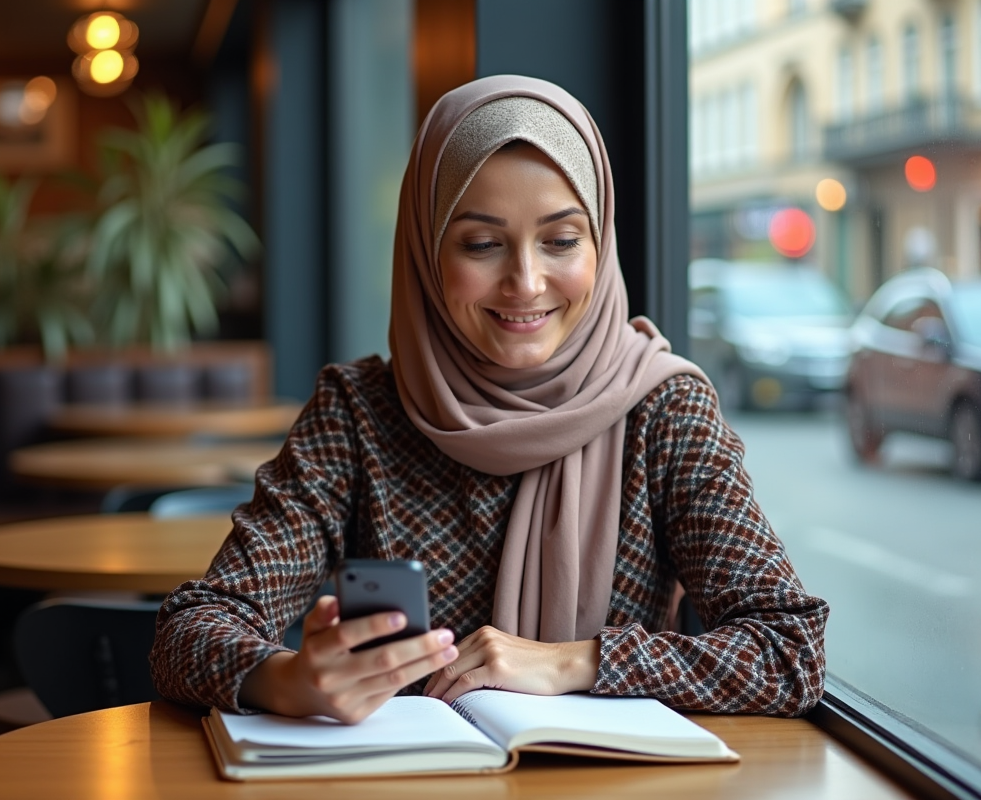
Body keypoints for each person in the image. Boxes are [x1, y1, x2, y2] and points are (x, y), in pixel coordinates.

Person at [150, 75, 828, 724]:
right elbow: (189, 629)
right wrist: (286, 678)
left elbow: (789, 652)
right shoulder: (358, 414)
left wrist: (574, 662)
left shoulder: (664, 411)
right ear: (425, 252)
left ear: (601, 242)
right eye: (481, 244)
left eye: (561, 241)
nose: (526, 282)